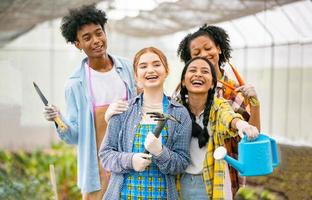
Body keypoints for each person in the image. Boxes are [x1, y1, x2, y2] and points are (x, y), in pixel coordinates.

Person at [43, 5, 136, 199]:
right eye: (87, 38)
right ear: (78, 44)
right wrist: (58, 119)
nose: (96, 41)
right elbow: (74, 136)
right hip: (98, 168)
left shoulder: (126, 68)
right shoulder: (75, 84)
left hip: (130, 161)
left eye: (98, 33)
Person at [177, 24, 261, 194]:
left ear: (219, 48)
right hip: (189, 174)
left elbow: (253, 134)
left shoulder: (235, 90)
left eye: (208, 48)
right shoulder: (182, 92)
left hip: (225, 171)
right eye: (196, 53)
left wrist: (255, 105)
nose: (204, 55)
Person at [99, 47, 192, 200]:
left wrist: (161, 152)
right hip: (123, 196)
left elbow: (182, 163)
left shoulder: (179, 113)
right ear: (136, 76)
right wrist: (131, 160)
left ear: (166, 71)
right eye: (143, 66)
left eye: (156, 64)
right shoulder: (123, 110)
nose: (150, 70)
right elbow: (105, 155)